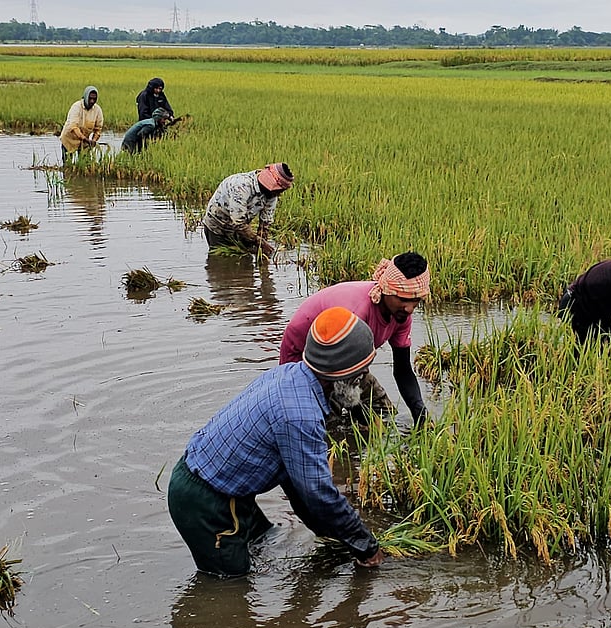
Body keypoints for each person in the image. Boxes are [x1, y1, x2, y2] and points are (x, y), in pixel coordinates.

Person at [168, 307, 385, 577]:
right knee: (229, 588)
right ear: (344, 376)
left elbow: (298, 484)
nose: (363, 380)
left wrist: (330, 533)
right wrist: (365, 545)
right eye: (362, 372)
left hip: (219, 485)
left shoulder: (288, 376)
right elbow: (318, 492)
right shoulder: (300, 417)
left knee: (265, 539)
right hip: (207, 503)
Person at [279, 252, 430, 427]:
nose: (410, 308)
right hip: (307, 361)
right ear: (387, 290)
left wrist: (421, 414)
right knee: (325, 426)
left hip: (348, 364)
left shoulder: (401, 315)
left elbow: (403, 370)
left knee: (384, 413)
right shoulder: (356, 313)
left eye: (416, 300)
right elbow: (340, 381)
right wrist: (368, 422)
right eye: (403, 299)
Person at [202, 163, 293, 258]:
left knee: (246, 260)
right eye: (278, 191)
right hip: (218, 226)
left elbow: (265, 224)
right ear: (270, 185)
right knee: (221, 261)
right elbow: (239, 224)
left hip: (241, 228)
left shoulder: (272, 195)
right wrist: (259, 242)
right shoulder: (241, 186)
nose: (279, 194)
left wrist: (261, 249)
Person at [59, 85, 103, 164]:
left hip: (84, 142)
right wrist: (85, 139)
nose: (92, 101)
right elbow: (74, 127)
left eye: (94, 99)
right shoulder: (76, 107)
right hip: (69, 139)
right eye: (90, 98)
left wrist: (93, 140)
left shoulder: (97, 110)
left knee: (85, 164)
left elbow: (98, 129)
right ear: (85, 97)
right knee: (67, 165)